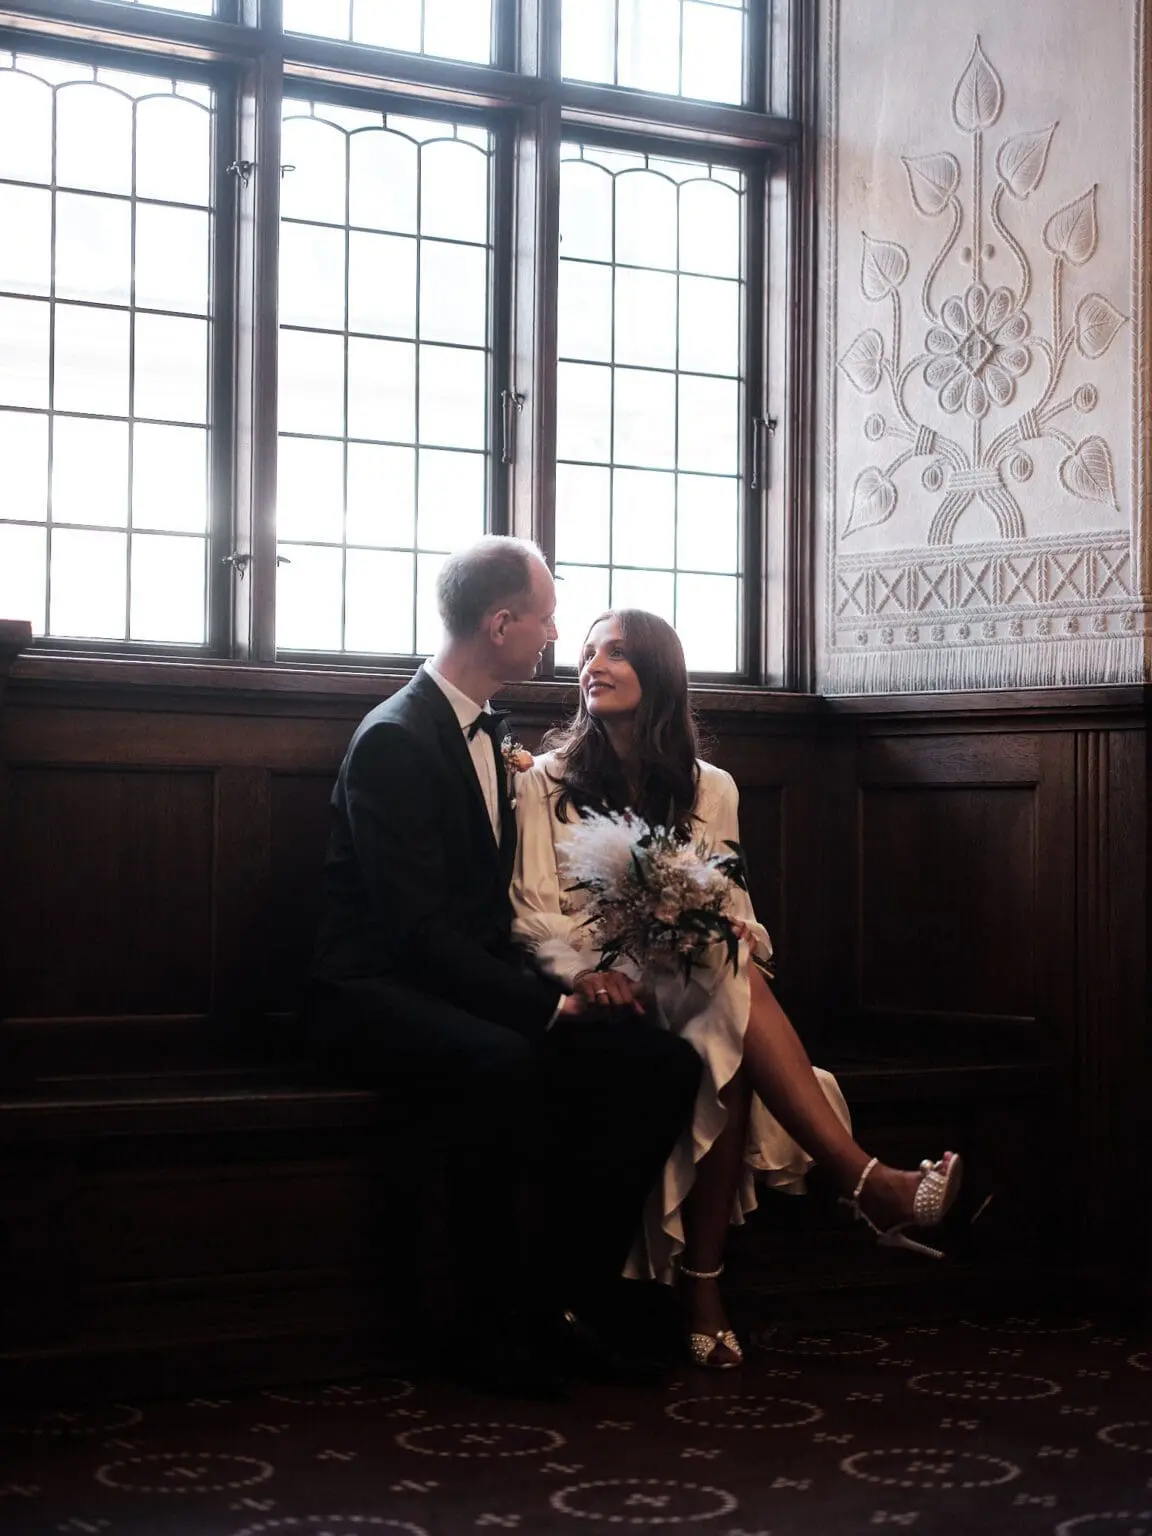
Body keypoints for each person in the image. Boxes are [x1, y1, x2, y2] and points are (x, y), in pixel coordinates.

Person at [512, 609, 963, 1370]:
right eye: (587, 653)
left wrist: (713, 933)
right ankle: (850, 1193)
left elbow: (730, 907)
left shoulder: (710, 787)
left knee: (726, 979)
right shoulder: (544, 782)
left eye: (617, 653)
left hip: (692, 979)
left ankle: (716, 1282)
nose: (594, 664)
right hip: (598, 986)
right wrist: (585, 976)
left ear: (659, 671)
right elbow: (532, 911)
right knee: (730, 997)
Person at [309, 541, 701, 1394]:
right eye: (547, 617)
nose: (556, 636)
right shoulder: (395, 739)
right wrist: (548, 1009)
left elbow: (498, 914)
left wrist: (573, 983)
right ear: (500, 624)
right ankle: (492, 1332)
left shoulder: (491, 733)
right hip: (372, 992)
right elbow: (413, 936)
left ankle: (572, 1293)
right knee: (510, 1062)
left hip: (460, 979)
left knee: (662, 1064)